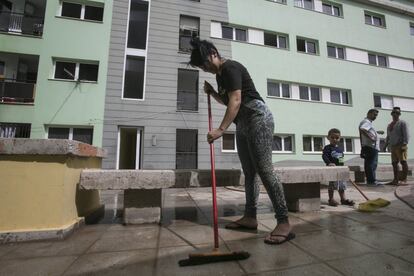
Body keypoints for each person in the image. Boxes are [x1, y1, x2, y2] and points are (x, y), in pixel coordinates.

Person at [188, 38, 294, 245]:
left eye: (204, 63)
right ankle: (250, 217)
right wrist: (212, 92)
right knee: (250, 173)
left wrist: (220, 129)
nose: (204, 68)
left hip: (258, 119)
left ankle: (284, 222)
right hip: (243, 124)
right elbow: (228, 100)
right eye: (201, 67)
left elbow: (236, 100)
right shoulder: (220, 77)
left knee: (264, 170)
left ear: (213, 53)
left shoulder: (231, 68)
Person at [322, 128, 354, 206]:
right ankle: (331, 199)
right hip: (332, 170)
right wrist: (329, 163)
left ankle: (343, 199)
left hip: (339, 170)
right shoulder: (327, 148)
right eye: (332, 137)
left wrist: (343, 167)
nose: (334, 139)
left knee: (342, 185)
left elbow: (341, 159)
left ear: (339, 138)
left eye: (337, 138)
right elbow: (324, 156)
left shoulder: (340, 148)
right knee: (332, 185)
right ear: (328, 138)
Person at [383, 107, 410, 185]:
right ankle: (395, 180)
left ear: (399, 114)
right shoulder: (389, 125)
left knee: (403, 162)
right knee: (394, 163)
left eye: (397, 113)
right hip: (392, 146)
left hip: (401, 145)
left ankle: (404, 179)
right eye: (394, 112)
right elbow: (388, 136)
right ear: (391, 114)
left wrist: (404, 144)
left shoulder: (402, 123)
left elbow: (406, 134)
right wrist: (385, 145)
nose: (395, 114)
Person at [359, 109, 384, 186]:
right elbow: (363, 129)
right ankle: (371, 181)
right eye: (374, 114)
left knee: (370, 164)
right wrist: (371, 137)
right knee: (371, 164)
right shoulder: (366, 122)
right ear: (369, 113)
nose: (375, 116)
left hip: (369, 147)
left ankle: (371, 180)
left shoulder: (368, 122)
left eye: (376, 115)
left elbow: (366, 130)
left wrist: (376, 132)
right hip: (370, 147)